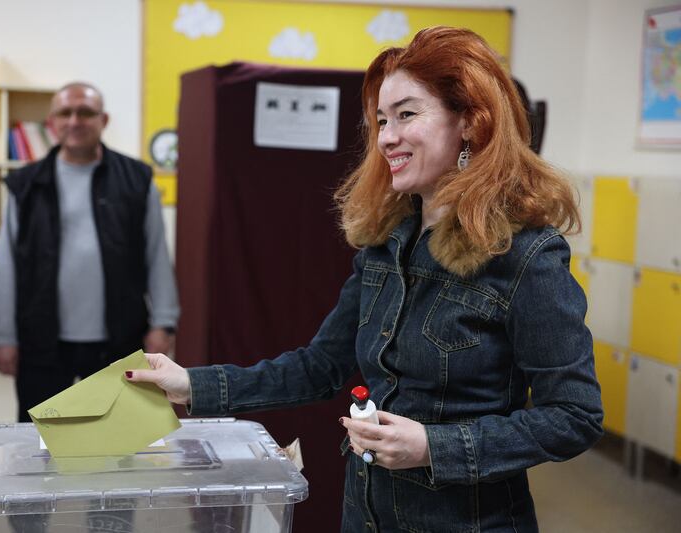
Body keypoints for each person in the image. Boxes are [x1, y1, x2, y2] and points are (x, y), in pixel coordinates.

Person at [125, 26, 603, 532]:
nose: (386, 137)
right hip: (365, 514)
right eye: (380, 120)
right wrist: (190, 384)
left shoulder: (527, 255)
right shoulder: (387, 244)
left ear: (469, 121)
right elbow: (320, 366)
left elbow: (573, 415)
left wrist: (433, 447)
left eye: (406, 114)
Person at [0, 81, 180, 423]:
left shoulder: (136, 180)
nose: (75, 120)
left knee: (121, 440)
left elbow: (156, 254)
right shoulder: (25, 186)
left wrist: (163, 323)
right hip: (42, 342)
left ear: (103, 120)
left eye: (86, 112)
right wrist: (3, 336)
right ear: (52, 123)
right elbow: (7, 267)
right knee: (44, 442)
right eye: (65, 112)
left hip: (120, 338)